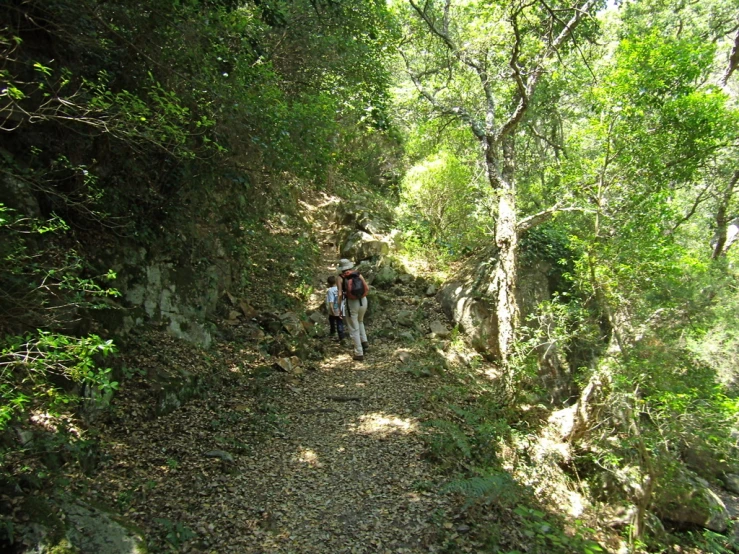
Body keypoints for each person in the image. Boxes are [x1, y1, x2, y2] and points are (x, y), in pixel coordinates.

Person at [337, 259, 369, 361]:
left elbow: (340, 294)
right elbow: (367, 288)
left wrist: (339, 307)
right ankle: (364, 342)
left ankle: (359, 353)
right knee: (360, 321)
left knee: (353, 327)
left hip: (351, 302)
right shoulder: (357, 274)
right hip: (363, 300)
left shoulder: (340, 277)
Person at [325, 275, 345, 345]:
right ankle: (342, 337)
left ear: (328, 283)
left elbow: (331, 301)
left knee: (332, 320)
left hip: (334, 309)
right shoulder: (340, 288)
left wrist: (332, 310)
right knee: (340, 322)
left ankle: (332, 333)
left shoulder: (330, 290)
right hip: (341, 308)